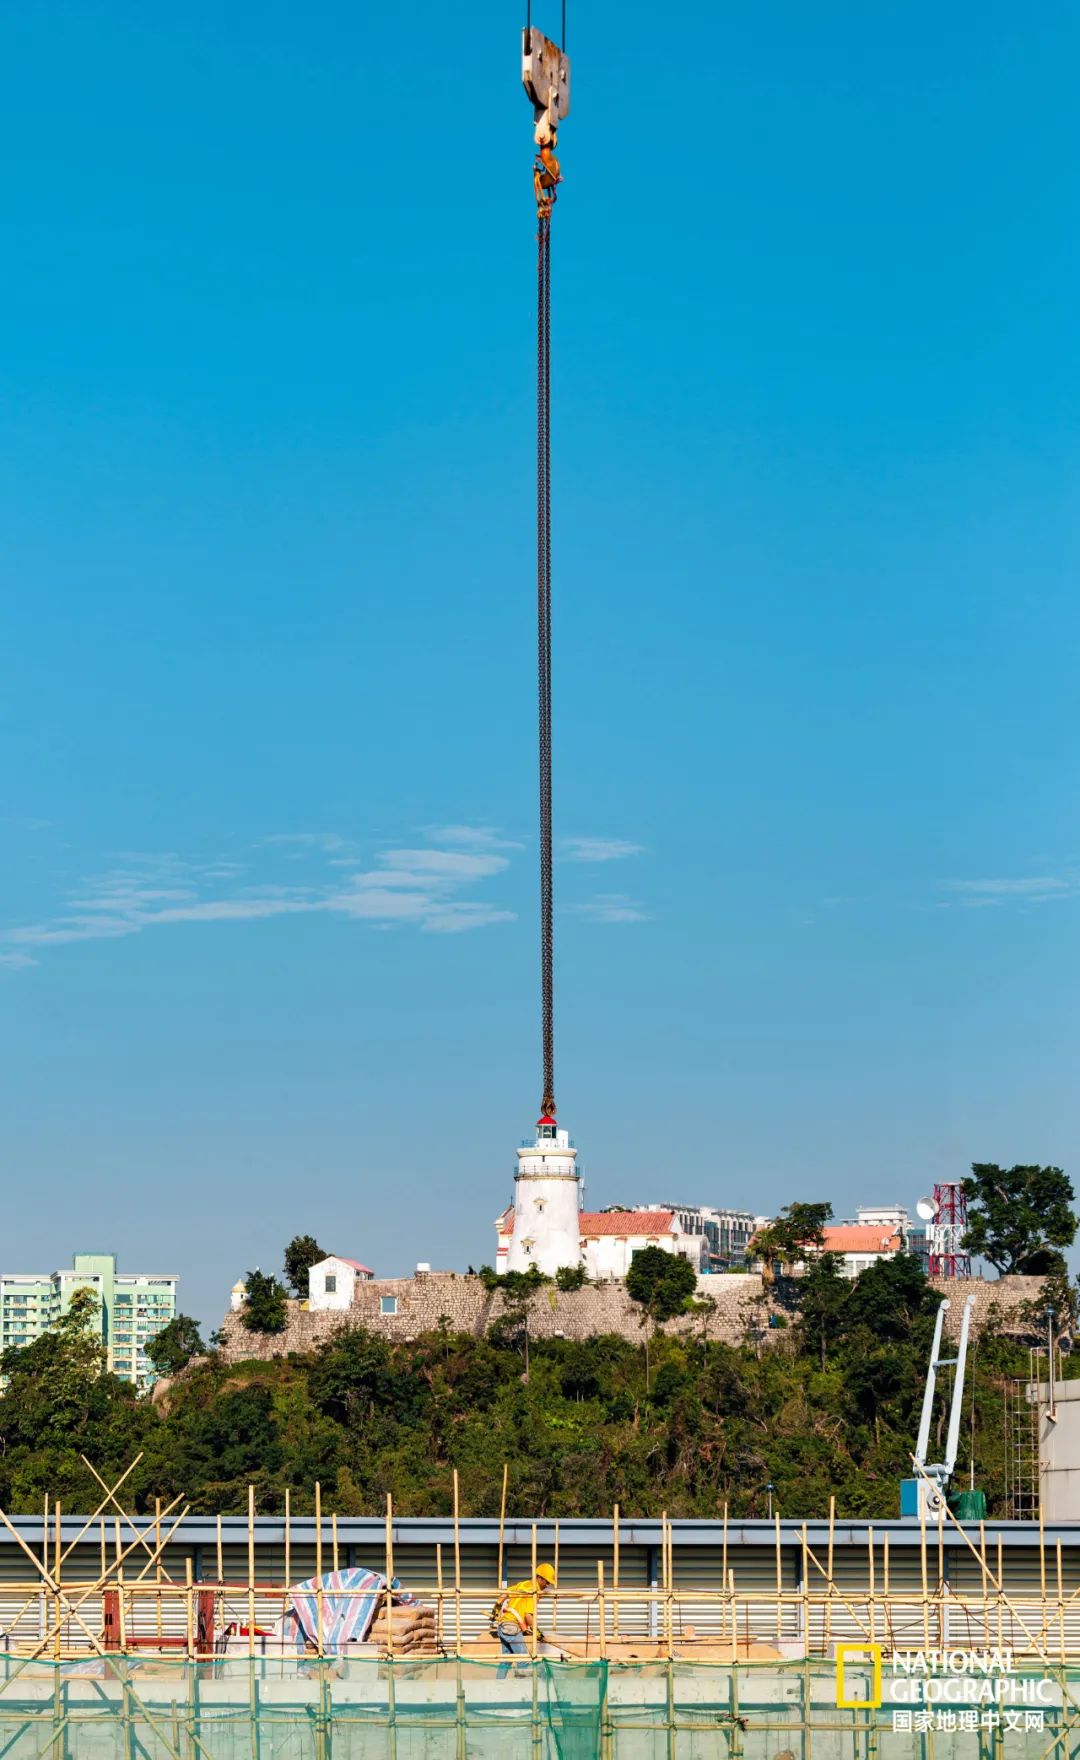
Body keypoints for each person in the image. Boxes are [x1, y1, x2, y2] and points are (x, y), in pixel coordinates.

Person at [493, 1563, 556, 1677]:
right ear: (539, 1578)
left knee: (506, 1660)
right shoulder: (533, 1591)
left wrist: (497, 1606)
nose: (547, 1585)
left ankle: (498, 1687)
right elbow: (528, 1616)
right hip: (512, 1627)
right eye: (546, 1582)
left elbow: (505, 1593)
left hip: (503, 1625)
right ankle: (524, 1688)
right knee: (523, 1661)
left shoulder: (523, 1585)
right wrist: (537, 1632)